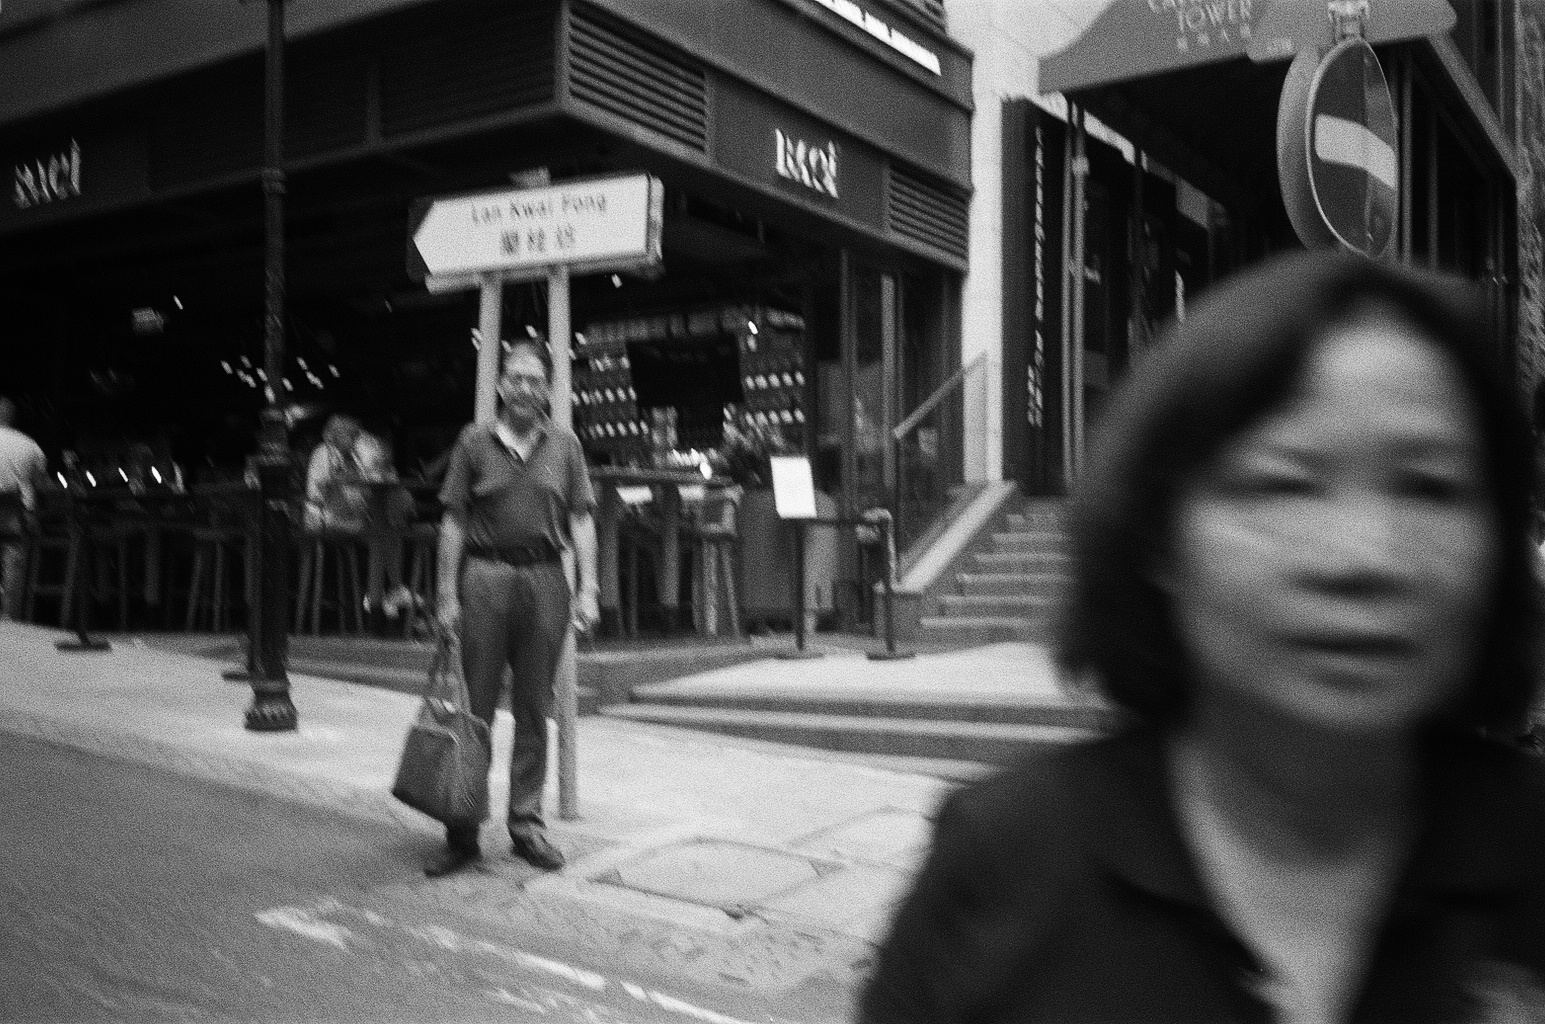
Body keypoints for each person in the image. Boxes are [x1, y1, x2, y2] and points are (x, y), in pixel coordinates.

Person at [859, 251, 1545, 1023]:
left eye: (1429, 487)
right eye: (1282, 483)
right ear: (1158, 537)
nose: (1366, 557)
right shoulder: (1003, 863)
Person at [429, 341, 600, 877]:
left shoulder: (565, 445)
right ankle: (462, 830)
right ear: (501, 385)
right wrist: (446, 594)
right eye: (516, 378)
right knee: (474, 709)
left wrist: (590, 589)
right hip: (485, 578)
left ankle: (525, 824)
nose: (525, 388)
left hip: (547, 580)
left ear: (548, 390)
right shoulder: (474, 442)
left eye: (535, 380)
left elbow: (581, 519)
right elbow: (453, 521)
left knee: (534, 708)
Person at [303, 413, 414, 617]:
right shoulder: (324, 453)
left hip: (349, 519)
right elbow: (318, 492)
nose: (355, 440)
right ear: (335, 436)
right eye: (351, 436)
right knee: (380, 533)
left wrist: (378, 472)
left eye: (356, 436)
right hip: (323, 519)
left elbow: (367, 484)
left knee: (389, 530)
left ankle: (382, 597)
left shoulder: (354, 456)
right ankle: (383, 596)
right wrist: (338, 478)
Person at [0, 396, 46, 620]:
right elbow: (41, 482)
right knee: (14, 558)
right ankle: (10, 616)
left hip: (13, 516)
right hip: (18, 519)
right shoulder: (29, 444)